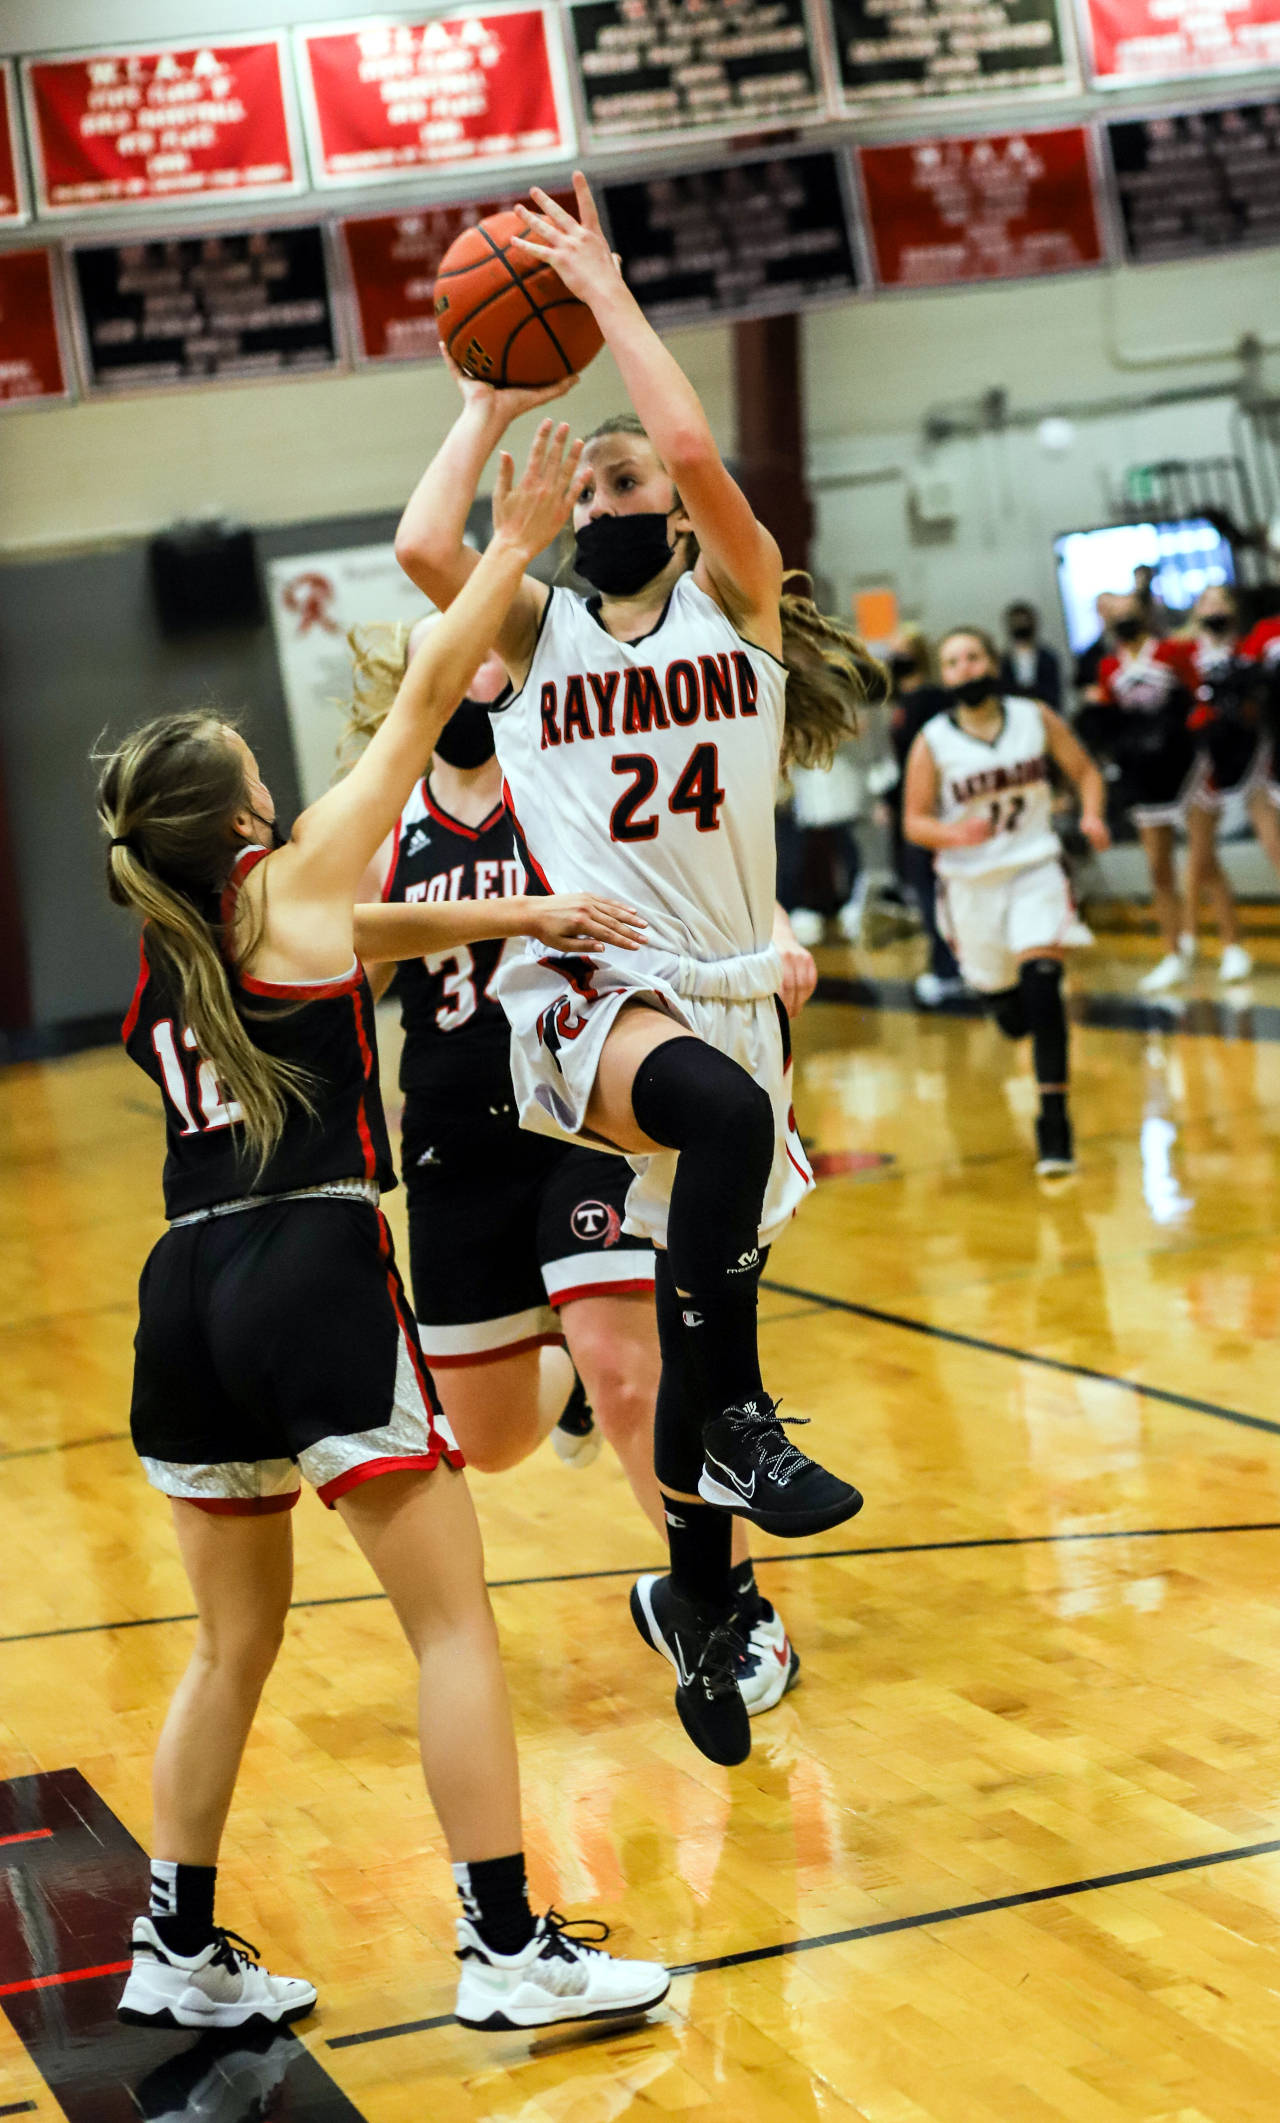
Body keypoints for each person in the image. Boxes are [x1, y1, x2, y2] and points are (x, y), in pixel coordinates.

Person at [98, 425, 669, 2037]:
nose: (275, 778)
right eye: (252, 766)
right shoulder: (284, 876)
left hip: (183, 1287)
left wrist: (519, 907)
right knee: (452, 1621)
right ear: (239, 811)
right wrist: (514, 539)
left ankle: (173, 1941)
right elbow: (424, 699)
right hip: (311, 1269)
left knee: (229, 1647)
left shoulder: (182, 937)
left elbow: (353, 925)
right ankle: (508, 1943)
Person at [394, 171, 877, 1769]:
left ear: (669, 511)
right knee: (719, 1138)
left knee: (685, 1311)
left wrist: (606, 293)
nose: (602, 483)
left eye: (621, 473)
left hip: (728, 983)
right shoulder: (535, 637)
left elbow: (693, 445)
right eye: (586, 471)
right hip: (590, 994)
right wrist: (486, 402)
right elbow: (420, 543)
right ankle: (738, 1430)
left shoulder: (738, 613)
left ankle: (698, 1600)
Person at [344, 624, 806, 1717]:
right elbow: (337, 946)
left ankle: (732, 1607)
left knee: (628, 1366)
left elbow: (698, 860)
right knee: (490, 1437)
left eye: (484, 654)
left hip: (576, 1107)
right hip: (455, 1141)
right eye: (447, 658)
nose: (472, 674)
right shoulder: (389, 820)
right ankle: (569, 1393)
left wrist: (779, 934)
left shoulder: (566, 774)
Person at [902, 625, 1109, 1176]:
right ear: (944, 676)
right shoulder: (932, 740)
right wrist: (954, 834)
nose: (965, 668)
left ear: (992, 662)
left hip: (1034, 869)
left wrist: (1091, 815)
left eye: (973, 656)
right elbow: (914, 822)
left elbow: (1085, 772)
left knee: (1043, 987)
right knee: (1013, 1014)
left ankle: (1055, 1126)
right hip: (970, 886)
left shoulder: (1033, 716)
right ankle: (1003, 1003)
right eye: (953, 661)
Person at [1091, 593, 1200, 994]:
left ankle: (1226, 942)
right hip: (1145, 775)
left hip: (1188, 767)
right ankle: (1173, 951)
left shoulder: (1171, 652)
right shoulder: (1108, 667)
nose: (1124, 621)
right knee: (1158, 866)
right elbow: (1109, 719)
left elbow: (1198, 698)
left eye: (1129, 614)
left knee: (1203, 861)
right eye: (1116, 616)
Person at [1182, 586, 1259, 984]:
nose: (1214, 609)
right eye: (1206, 602)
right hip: (1202, 766)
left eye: (1221, 602)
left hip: (1251, 759)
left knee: (1274, 843)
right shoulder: (1183, 654)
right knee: (1202, 857)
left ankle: (1189, 937)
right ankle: (1212, 942)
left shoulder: (1248, 651)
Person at [999, 601, 1062, 711]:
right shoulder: (1003, 660)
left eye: (1024, 621)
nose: (1021, 624)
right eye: (1017, 621)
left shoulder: (1048, 658)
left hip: (1045, 711)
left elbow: (1054, 693)